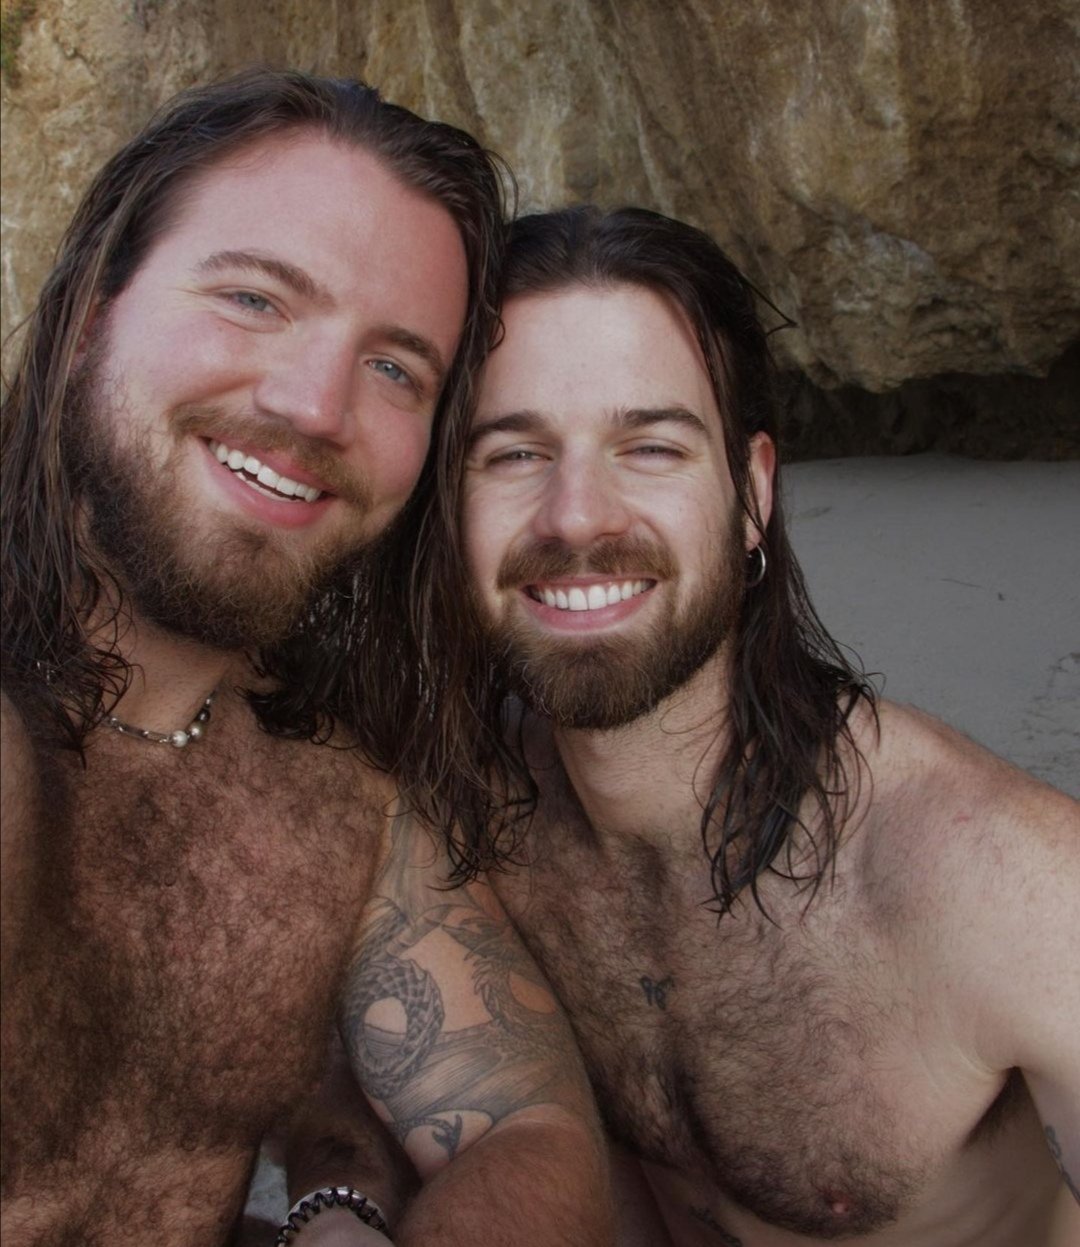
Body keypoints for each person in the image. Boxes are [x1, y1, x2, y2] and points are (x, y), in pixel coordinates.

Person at [374, 204, 1078, 1246]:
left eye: (650, 446)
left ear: (751, 494)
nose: (577, 514)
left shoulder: (1000, 884)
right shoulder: (471, 831)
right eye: (514, 453)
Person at [0, 73, 612, 1247]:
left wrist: (344, 1204)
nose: (318, 406)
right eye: (253, 298)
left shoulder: (335, 796)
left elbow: (525, 1125)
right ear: (88, 316)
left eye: (396, 368)